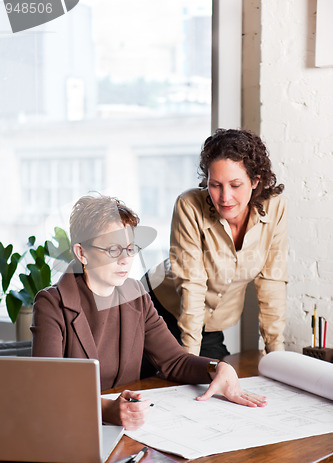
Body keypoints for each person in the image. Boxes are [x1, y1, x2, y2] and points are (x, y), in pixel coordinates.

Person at [31, 194, 266, 430]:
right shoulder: (51, 304)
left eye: (130, 248)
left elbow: (175, 361)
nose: (125, 259)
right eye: (113, 249)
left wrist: (216, 368)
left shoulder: (136, 294)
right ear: (82, 253)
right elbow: (48, 389)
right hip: (72, 428)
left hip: (131, 428)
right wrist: (105, 410)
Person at [144, 128, 287, 358]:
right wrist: (188, 362)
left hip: (208, 325)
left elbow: (272, 282)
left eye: (235, 185)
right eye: (215, 185)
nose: (224, 197)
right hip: (158, 310)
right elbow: (192, 284)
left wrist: (277, 357)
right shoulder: (189, 205)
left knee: (221, 378)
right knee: (163, 384)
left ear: (254, 180)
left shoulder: (275, 209)